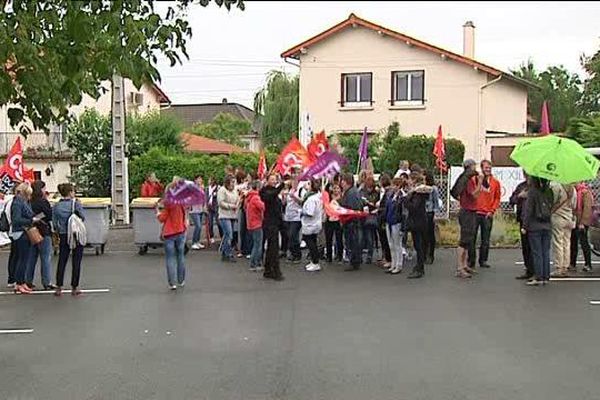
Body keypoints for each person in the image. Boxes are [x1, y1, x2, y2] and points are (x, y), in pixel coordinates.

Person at [53, 183, 85, 296]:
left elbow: (54, 222)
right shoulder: (75, 204)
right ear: (70, 192)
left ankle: (59, 286)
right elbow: (82, 216)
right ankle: (74, 287)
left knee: (62, 260)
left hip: (63, 234)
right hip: (75, 234)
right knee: (76, 260)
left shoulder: (57, 206)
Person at [469, 160, 501, 270]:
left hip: (487, 213)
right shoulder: (475, 180)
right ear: (481, 168)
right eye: (486, 167)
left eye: (489, 168)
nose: (488, 169)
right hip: (475, 212)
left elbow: (497, 198)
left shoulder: (495, 182)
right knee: (471, 238)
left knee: (485, 239)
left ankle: (483, 260)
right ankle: (471, 260)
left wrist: (492, 210)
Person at [522, 177, 554, 286]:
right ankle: (546, 276)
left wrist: (524, 226)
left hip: (535, 225)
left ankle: (538, 276)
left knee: (537, 252)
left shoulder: (532, 192)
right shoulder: (549, 192)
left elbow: (528, 210)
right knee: (545, 251)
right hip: (547, 224)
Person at [157, 181, 188, 290]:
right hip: (181, 231)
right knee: (181, 256)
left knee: (170, 258)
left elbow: (162, 218)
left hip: (169, 233)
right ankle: (181, 280)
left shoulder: (168, 202)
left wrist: (157, 212)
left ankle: (172, 283)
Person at [453, 159, 481, 279]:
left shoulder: (466, 179)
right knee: (464, 241)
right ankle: (460, 267)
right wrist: (479, 183)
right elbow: (474, 194)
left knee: (468, 239)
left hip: (469, 210)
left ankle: (464, 265)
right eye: (474, 165)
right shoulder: (468, 181)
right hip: (467, 212)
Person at [25, 180, 55, 290]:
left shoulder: (29, 202)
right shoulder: (43, 202)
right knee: (45, 257)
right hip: (43, 231)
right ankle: (46, 282)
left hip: (31, 231)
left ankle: (28, 280)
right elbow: (49, 216)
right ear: (41, 189)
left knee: (31, 257)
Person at [405, 172, 432, 279]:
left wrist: (405, 200)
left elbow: (414, 207)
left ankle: (420, 268)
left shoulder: (418, 193)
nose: (408, 182)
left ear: (414, 180)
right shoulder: (417, 192)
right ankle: (419, 266)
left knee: (419, 245)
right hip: (419, 221)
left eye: (410, 180)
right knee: (418, 245)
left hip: (418, 222)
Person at [260, 174, 285, 281]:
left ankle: (268, 270)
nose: (274, 181)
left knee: (271, 248)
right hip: (269, 223)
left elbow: (278, 204)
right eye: (272, 179)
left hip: (277, 222)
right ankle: (275, 271)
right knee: (274, 248)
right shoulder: (264, 191)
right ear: (267, 180)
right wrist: (281, 186)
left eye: (275, 179)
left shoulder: (275, 192)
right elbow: (270, 196)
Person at [10, 182, 34, 294]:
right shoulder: (18, 203)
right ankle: (19, 283)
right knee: (22, 260)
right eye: (28, 194)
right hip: (21, 232)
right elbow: (16, 219)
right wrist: (31, 220)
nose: (29, 197)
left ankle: (21, 282)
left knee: (24, 259)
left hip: (22, 232)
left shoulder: (22, 202)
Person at [510, 172, 534, 280]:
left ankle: (535, 270)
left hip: (534, 220)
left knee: (534, 246)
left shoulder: (537, 187)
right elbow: (512, 200)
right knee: (525, 247)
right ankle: (528, 269)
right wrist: (519, 196)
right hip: (522, 219)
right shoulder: (521, 186)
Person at [550, 181, 576, 278]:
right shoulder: (573, 189)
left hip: (558, 216)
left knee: (558, 242)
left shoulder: (556, 186)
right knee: (566, 243)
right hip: (569, 216)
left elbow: (553, 201)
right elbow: (574, 205)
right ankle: (565, 266)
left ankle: (558, 267)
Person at [340, 173, 363, 271]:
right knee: (353, 242)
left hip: (351, 222)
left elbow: (350, 208)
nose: (341, 183)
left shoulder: (351, 193)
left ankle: (354, 261)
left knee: (353, 242)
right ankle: (355, 260)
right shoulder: (352, 191)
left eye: (343, 181)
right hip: (352, 221)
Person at [384, 177, 407, 275]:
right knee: (391, 244)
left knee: (397, 244)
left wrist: (403, 227)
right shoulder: (391, 195)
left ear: (399, 186)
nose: (393, 187)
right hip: (389, 222)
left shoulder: (402, 197)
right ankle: (393, 264)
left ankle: (399, 265)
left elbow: (404, 213)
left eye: (395, 185)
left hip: (397, 222)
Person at [570, 182, 593, 273]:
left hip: (582, 222)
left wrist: (583, 223)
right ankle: (572, 263)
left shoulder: (585, 192)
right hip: (574, 221)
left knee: (584, 243)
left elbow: (587, 209)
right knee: (573, 242)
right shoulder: (573, 192)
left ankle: (588, 263)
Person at [301, 179, 324, 272]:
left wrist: (302, 212)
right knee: (313, 241)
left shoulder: (312, 199)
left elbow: (310, 212)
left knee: (310, 242)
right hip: (315, 223)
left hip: (311, 224)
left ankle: (315, 262)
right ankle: (313, 261)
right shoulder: (317, 196)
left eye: (309, 184)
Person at [284, 171, 305, 263]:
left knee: (293, 235)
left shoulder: (301, 190)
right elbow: (286, 203)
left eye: (295, 180)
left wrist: (295, 198)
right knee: (289, 235)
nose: (294, 182)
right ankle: (292, 253)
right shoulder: (290, 190)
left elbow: (303, 202)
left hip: (297, 217)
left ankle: (297, 254)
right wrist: (284, 198)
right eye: (293, 180)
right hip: (288, 216)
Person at [217, 175, 240, 262]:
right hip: (224, 215)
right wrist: (231, 206)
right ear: (227, 182)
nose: (234, 184)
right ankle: (228, 253)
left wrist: (237, 203)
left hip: (232, 215)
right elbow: (220, 202)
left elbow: (237, 199)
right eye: (232, 182)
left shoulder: (234, 190)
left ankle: (224, 252)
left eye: (234, 182)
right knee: (229, 234)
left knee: (228, 235)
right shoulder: (222, 190)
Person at [245, 180, 265, 272]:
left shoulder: (249, 197)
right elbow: (263, 207)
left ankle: (254, 263)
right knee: (258, 245)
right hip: (257, 223)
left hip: (251, 223)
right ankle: (254, 263)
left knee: (255, 244)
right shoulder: (256, 198)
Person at [360, 176, 380, 264]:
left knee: (370, 236)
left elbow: (376, 203)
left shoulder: (376, 192)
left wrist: (369, 202)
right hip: (363, 215)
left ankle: (370, 255)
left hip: (372, 215)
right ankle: (364, 253)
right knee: (364, 236)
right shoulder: (362, 191)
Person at [423, 170, 441, 265]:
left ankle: (430, 254)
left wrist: (436, 214)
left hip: (430, 212)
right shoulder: (421, 188)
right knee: (424, 234)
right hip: (423, 212)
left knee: (430, 234)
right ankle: (424, 253)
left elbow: (436, 202)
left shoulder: (433, 189)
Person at [324, 184, 344, 263]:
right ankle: (329, 257)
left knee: (339, 239)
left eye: (337, 188)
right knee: (328, 239)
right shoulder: (329, 197)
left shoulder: (342, 198)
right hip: (329, 220)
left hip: (338, 221)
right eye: (334, 188)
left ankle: (340, 256)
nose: (336, 190)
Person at [376, 174, 392, 269]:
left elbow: (385, 206)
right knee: (384, 240)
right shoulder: (387, 192)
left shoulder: (388, 193)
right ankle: (386, 258)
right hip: (383, 217)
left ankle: (388, 259)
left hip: (384, 219)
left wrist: (379, 210)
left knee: (385, 240)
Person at [190, 175, 206, 250]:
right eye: (198, 179)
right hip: (194, 210)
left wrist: (204, 207)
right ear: (195, 180)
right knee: (198, 226)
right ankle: (193, 242)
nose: (200, 180)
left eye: (201, 179)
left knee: (200, 227)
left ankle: (197, 241)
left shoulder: (202, 188)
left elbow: (203, 199)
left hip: (200, 209)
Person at [206, 177, 221, 244]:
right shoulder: (207, 188)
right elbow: (206, 197)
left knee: (218, 223)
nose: (209, 181)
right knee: (210, 223)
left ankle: (222, 236)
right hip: (209, 207)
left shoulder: (218, 188)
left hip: (216, 207)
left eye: (210, 180)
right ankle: (211, 237)